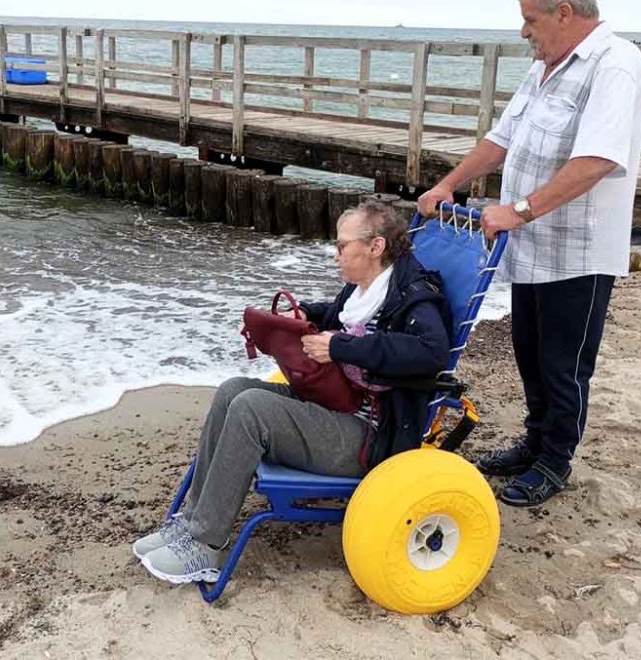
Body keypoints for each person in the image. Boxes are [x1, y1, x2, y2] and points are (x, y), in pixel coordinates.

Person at [417, 0, 641, 508]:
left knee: (564, 364)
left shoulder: (614, 64)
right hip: (530, 250)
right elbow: (501, 139)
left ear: (563, 13)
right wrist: (448, 184)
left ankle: (554, 460)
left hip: (580, 250)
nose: (524, 31)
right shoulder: (546, 65)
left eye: (530, 19)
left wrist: (517, 210)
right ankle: (534, 441)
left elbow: (596, 159)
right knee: (528, 352)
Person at [133, 201, 452, 584]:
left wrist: (339, 348)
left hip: (369, 434)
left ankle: (206, 545)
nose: (335, 255)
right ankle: (192, 522)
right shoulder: (364, 289)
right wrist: (306, 316)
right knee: (232, 390)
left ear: (375, 247)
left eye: (341, 246)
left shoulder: (416, 295)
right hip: (340, 406)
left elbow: (432, 352)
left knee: (252, 409)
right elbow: (338, 317)